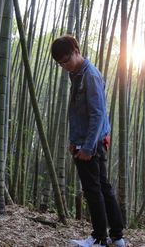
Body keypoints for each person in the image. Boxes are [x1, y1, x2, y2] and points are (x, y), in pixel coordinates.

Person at [51, 35, 125, 247]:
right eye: (60, 64)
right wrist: (74, 140)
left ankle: (100, 238)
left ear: (76, 51)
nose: (64, 66)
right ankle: (117, 237)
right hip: (86, 140)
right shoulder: (77, 74)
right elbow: (80, 113)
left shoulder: (89, 75)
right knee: (102, 187)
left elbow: (98, 114)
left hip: (91, 143)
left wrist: (87, 147)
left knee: (93, 190)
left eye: (66, 60)